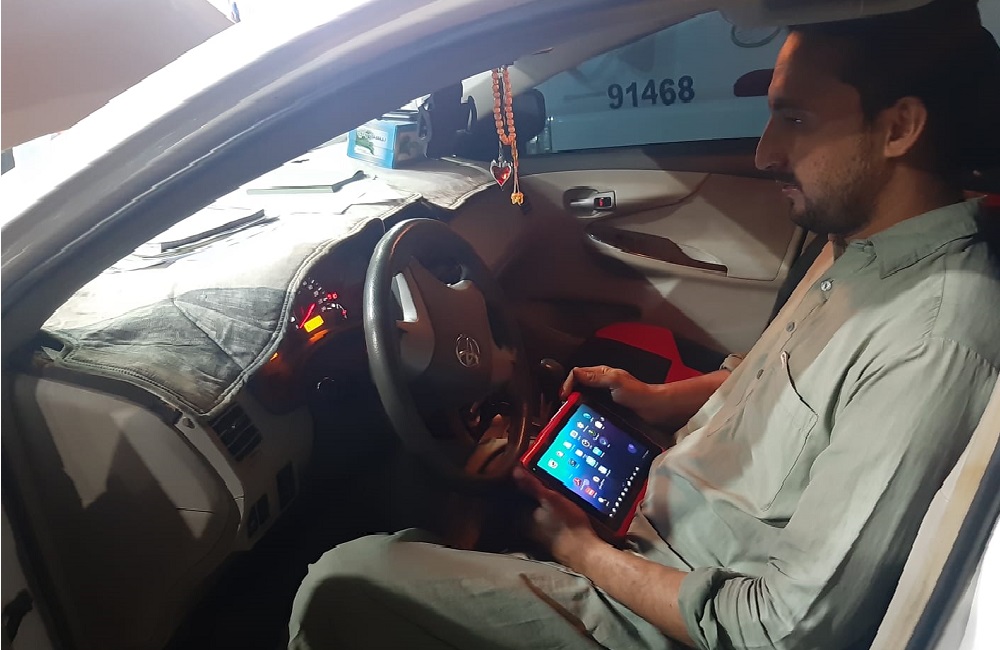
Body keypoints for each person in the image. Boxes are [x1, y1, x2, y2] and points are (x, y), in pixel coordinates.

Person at [288, 1, 1000, 648]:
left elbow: (785, 631)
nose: (764, 153)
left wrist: (582, 552)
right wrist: (661, 401)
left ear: (899, 128)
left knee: (344, 581)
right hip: (657, 507)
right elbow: (796, 383)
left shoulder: (932, 345)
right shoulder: (862, 242)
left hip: (673, 612)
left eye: (796, 120)